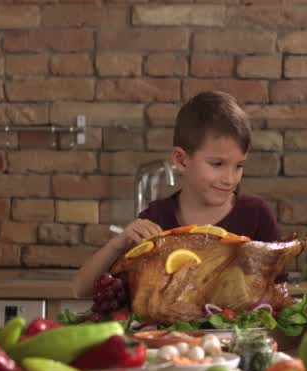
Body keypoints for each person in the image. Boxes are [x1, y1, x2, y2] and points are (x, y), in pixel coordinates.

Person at [72, 91, 280, 298]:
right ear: (181, 160)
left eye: (239, 166)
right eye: (217, 164)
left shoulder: (256, 216)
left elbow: (277, 291)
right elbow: (81, 290)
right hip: (167, 332)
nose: (230, 178)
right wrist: (117, 244)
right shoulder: (155, 219)